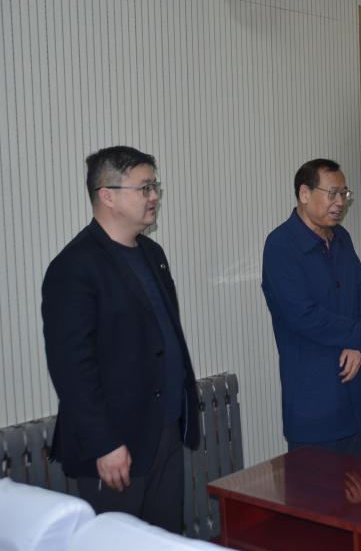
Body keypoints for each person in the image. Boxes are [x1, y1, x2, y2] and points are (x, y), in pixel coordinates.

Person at [41, 146, 200, 532]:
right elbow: (71, 369)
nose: (154, 196)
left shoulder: (152, 253)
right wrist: (104, 444)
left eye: (155, 186)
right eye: (144, 188)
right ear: (107, 195)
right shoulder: (74, 267)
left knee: (165, 538)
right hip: (116, 445)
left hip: (163, 430)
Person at [261, 159, 361, 457]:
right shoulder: (280, 246)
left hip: (357, 402)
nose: (340, 202)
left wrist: (358, 344)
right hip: (315, 402)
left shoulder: (341, 238)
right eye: (333, 193)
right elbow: (304, 316)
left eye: (344, 194)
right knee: (316, 486)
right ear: (304, 194)